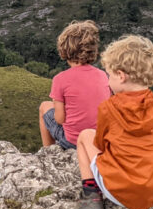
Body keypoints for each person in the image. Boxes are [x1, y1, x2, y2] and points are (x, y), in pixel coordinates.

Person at [67, 34, 153, 209]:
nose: (108, 80)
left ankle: (91, 196)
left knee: (85, 136)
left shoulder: (109, 108)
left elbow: (100, 145)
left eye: (109, 75)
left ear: (121, 75)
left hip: (120, 192)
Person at [38, 20, 111, 150]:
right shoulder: (103, 75)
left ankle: (48, 151)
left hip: (73, 142)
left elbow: (60, 119)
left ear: (64, 49)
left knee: (44, 106)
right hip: (99, 140)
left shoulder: (60, 79)